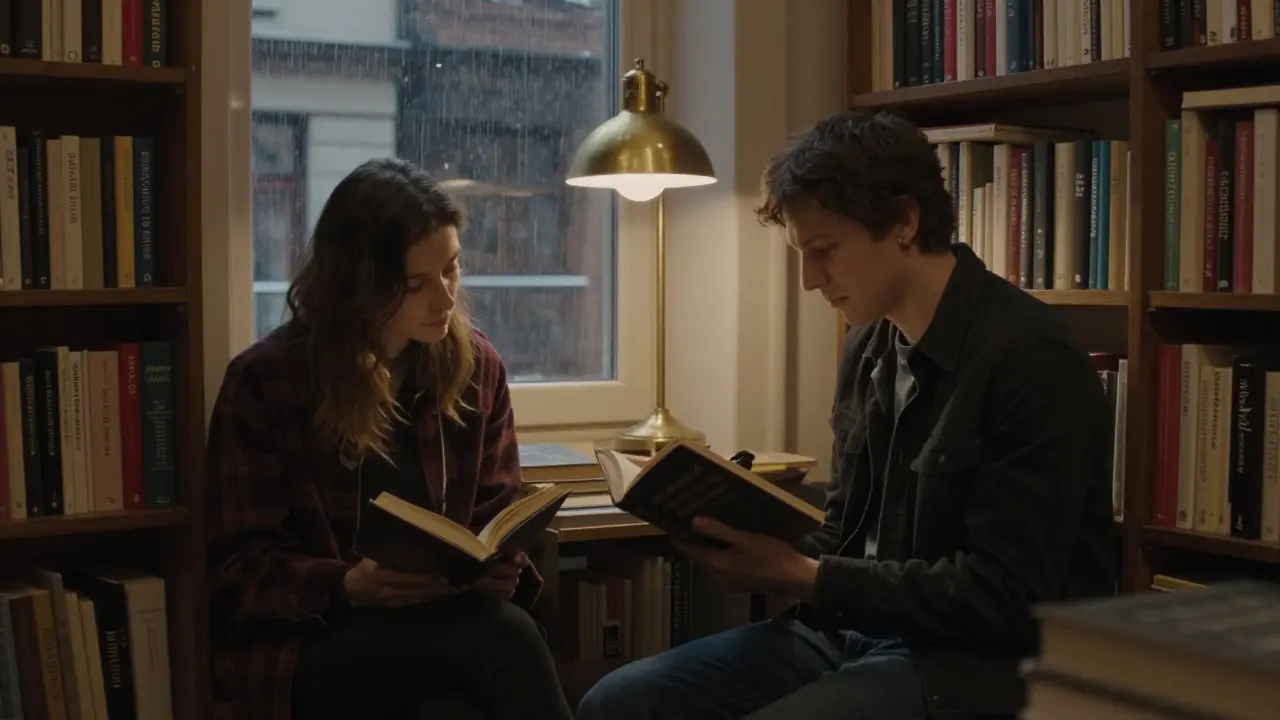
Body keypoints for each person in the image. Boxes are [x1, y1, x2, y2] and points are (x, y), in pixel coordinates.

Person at [576, 110, 1117, 719]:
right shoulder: (869, 346)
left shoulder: (1030, 359)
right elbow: (845, 533)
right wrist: (748, 538)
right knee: (617, 703)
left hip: (973, 659)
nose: (810, 280)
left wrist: (810, 577)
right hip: (852, 627)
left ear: (904, 222)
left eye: (824, 251)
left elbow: (1008, 594)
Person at [205, 158, 573, 720]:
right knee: (505, 638)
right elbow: (236, 572)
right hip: (317, 641)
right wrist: (345, 586)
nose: (444, 300)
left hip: (446, 632)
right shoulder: (267, 382)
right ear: (358, 284)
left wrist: (502, 571)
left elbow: (494, 521)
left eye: (451, 270)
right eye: (415, 284)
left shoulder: (477, 371)